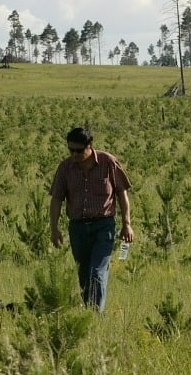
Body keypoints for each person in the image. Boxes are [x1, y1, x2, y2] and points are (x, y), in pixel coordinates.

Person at [49, 127, 134, 311]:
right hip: (77, 228)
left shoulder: (108, 162)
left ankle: (96, 314)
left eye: (79, 150)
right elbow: (56, 198)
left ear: (90, 146)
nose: (75, 154)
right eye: (71, 150)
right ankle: (88, 312)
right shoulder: (65, 167)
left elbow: (122, 193)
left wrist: (127, 224)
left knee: (97, 272)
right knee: (84, 274)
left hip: (103, 226)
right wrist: (54, 228)